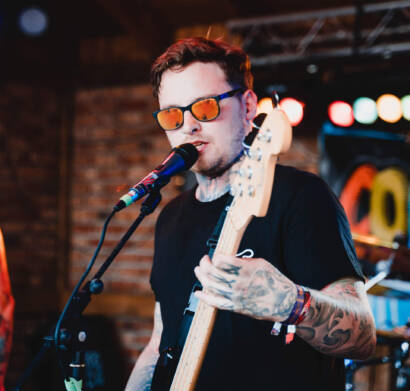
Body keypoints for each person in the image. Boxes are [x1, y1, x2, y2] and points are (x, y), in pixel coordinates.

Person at [126, 37, 376, 391]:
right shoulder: (170, 217)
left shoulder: (301, 197)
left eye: (206, 107)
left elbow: (363, 336)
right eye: (172, 114)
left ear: (246, 107)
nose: (188, 125)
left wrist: (292, 303)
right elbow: (159, 343)